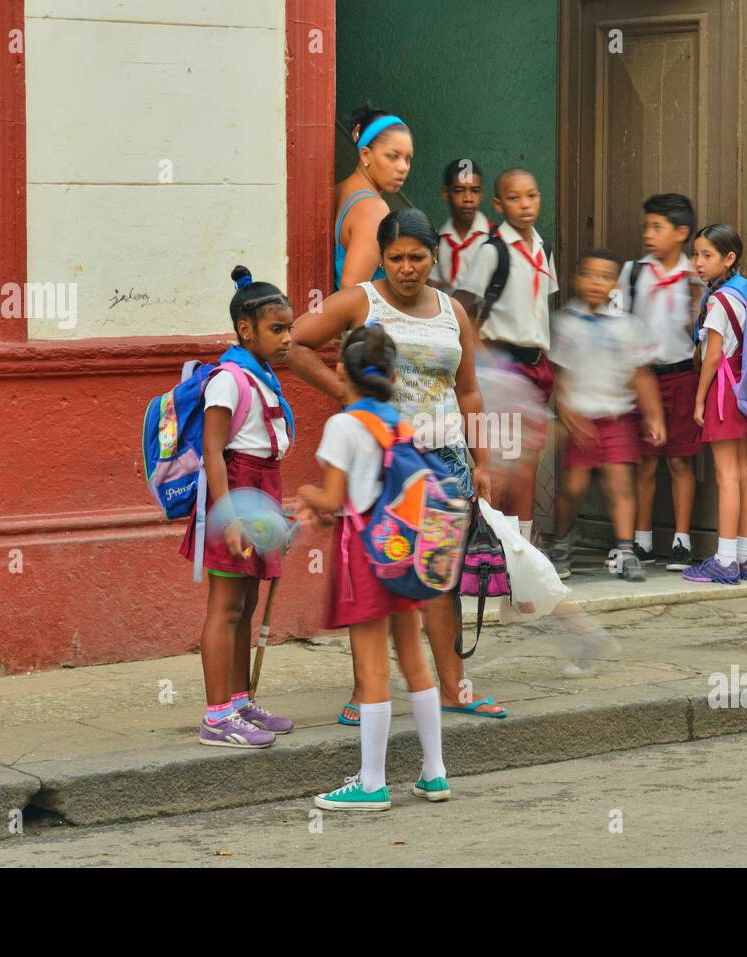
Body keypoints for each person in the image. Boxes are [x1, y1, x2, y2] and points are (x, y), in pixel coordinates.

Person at [287, 206, 507, 723]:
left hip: (444, 460)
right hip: (380, 464)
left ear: (435, 256)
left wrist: (482, 461)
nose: (406, 268)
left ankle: (452, 688)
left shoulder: (454, 313)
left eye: (417, 257)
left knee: (438, 576)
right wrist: (344, 390)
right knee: (380, 572)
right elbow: (294, 342)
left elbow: (469, 391)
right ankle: (367, 692)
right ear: (382, 257)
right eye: (395, 258)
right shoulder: (361, 301)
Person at [292, 326, 451, 811]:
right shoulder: (399, 422)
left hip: (364, 554)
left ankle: (371, 782)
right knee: (414, 659)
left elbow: (336, 499)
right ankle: (435, 772)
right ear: (394, 375)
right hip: (402, 551)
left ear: (341, 371)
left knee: (371, 668)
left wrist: (305, 496)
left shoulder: (343, 425)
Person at [185, 267, 297, 748]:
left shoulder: (263, 375)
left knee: (247, 603)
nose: (288, 338)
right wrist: (228, 518)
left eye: (289, 327)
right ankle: (215, 717)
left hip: (262, 491)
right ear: (245, 329)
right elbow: (214, 451)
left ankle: (237, 700)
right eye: (278, 329)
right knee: (226, 607)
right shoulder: (229, 379)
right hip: (232, 494)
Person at [453, 168, 558, 547]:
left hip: (536, 366)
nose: (525, 204)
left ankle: (523, 551)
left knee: (527, 464)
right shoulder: (491, 251)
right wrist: (487, 365)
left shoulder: (542, 248)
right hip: (502, 367)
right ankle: (489, 549)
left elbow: (540, 307)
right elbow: (462, 309)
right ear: (498, 204)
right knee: (497, 464)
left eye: (532, 196)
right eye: (514, 198)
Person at [548, 249, 665, 581]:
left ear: (614, 283)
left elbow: (641, 374)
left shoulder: (628, 326)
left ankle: (626, 551)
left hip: (617, 417)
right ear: (576, 278)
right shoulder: (566, 323)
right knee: (573, 486)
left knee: (621, 486)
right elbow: (562, 378)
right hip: (582, 419)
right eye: (589, 275)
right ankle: (561, 543)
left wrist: (654, 416)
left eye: (604, 277)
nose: (596, 283)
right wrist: (570, 415)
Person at [618, 193, 705, 571]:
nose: (649, 234)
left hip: (684, 375)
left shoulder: (694, 276)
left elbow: (701, 332)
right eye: (646, 227)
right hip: (644, 377)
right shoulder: (633, 272)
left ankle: (682, 541)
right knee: (645, 462)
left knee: (681, 462)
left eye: (658, 227)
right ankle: (643, 539)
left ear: (681, 232)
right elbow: (617, 321)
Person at [683, 225, 747, 585]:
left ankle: (725, 560)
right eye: (695, 254)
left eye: (706, 255)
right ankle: (745, 556)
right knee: (742, 471)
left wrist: (699, 399)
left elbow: (711, 357)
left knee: (725, 473)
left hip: (724, 390)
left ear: (729, 259)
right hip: (744, 388)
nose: (698, 262)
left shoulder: (718, 301)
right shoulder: (742, 294)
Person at [334, 105, 412, 290]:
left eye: (408, 158)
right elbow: (351, 290)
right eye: (393, 156)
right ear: (366, 155)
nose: (403, 167)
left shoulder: (340, 190)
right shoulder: (373, 209)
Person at [432, 157, 493, 293]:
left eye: (474, 191)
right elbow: (432, 287)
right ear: (446, 193)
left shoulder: (494, 238)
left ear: (481, 193)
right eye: (459, 191)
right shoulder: (438, 241)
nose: (468, 199)